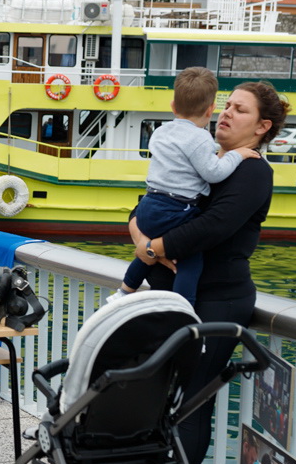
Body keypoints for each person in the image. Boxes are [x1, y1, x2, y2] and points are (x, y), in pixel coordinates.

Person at [130, 81, 286, 464]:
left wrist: (152, 248)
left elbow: (212, 227)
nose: (227, 113)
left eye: (240, 109)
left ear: (262, 126)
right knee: (156, 392)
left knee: (192, 400)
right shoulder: (200, 154)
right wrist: (141, 239)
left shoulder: (252, 171)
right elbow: (148, 204)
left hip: (217, 300)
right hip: (173, 296)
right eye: (227, 105)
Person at [110, 67, 260, 305]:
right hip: (176, 210)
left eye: (238, 109)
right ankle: (183, 306)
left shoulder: (161, 132)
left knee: (145, 255)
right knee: (190, 262)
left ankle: (124, 291)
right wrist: (237, 155)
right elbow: (213, 173)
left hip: (150, 205)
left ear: (173, 106)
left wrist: (149, 246)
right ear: (210, 109)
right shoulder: (200, 138)